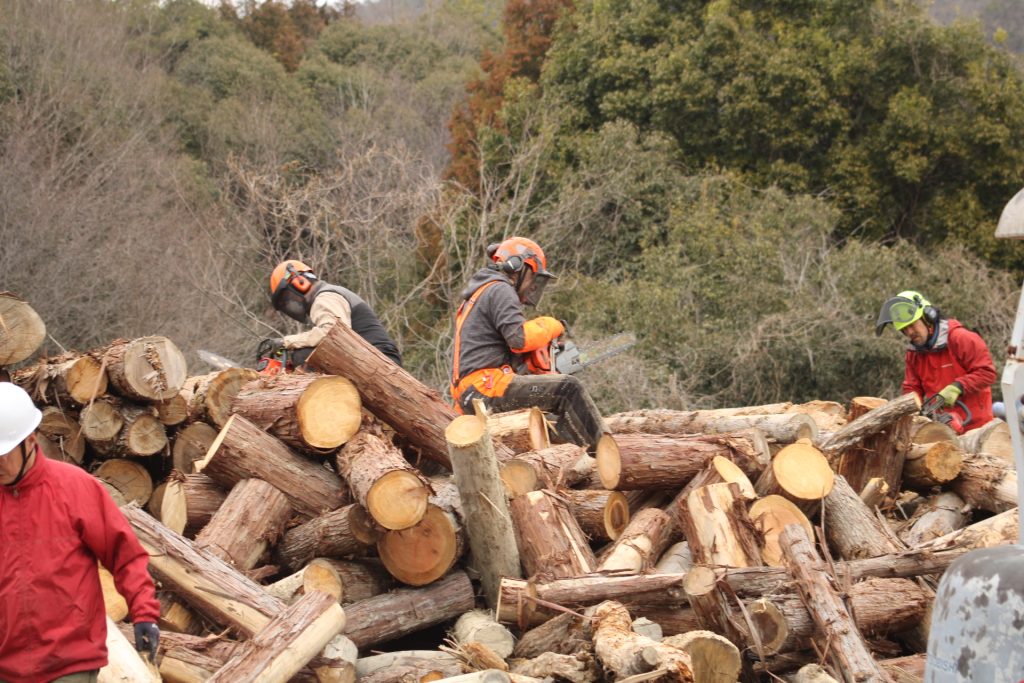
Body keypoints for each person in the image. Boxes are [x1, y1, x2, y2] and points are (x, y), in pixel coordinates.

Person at [0, 382, 160, 683]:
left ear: (30, 441)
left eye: (3, 453)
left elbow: (124, 555)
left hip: (69, 660)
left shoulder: (74, 488)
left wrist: (144, 613)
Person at [450, 237, 609, 451]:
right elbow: (520, 339)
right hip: (485, 388)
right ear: (518, 266)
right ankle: (606, 454)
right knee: (568, 389)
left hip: (475, 392)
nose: (532, 286)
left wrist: (531, 365)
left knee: (549, 418)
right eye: (532, 277)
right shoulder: (499, 288)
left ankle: (572, 462)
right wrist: (551, 325)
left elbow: (502, 348)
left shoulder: (481, 292)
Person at [875, 290, 996, 433]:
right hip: (942, 426)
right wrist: (910, 409)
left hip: (977, 427)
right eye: (904, 330)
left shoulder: (961, 338)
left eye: (912, 325)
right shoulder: (914, 354)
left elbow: (987, 373)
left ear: (928, 316)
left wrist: (958, 387)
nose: (909, 332)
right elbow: (912, 388)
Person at [268, 259, 403, 367]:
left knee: (304, 355)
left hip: (380, 361)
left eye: (288, 299)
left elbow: (333, 333)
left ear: (300, 283)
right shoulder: (327, 295)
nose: (291, 305)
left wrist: (286, 342)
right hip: (370, 358)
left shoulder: (325, 297)